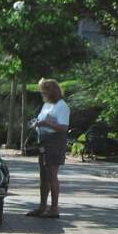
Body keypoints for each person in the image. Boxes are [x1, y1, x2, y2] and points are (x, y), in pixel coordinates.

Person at [26, 78, 69, 218]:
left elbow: (63, 127)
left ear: (52, 91)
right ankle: (42, 206)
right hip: (43, 142)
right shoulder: (47, 105)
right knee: (43, 176)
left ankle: (54, 209)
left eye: (44, 91)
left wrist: (45, 123)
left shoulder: (62, 106)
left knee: (51, 175)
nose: (42, 94)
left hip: (55, 143)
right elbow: (42, 120)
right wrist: (36, 123)